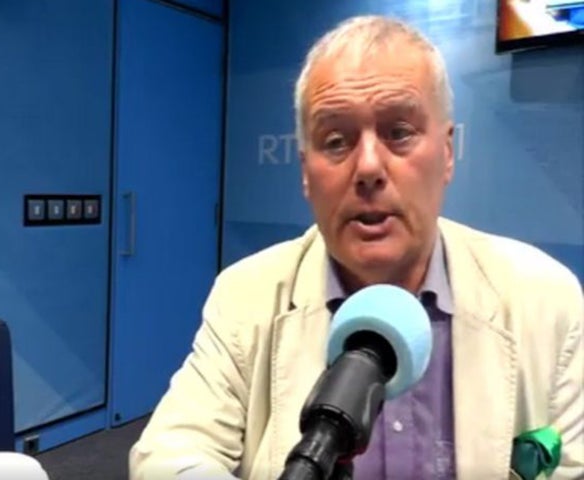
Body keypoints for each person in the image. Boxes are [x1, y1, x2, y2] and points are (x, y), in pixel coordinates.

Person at [129, 15, 584, 480]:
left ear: (447, 152)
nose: (367, 167)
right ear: (306, 172)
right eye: (336, 141)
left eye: (399, 132)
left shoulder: (545, 300)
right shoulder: (245, 296)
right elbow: (169, 455)